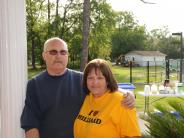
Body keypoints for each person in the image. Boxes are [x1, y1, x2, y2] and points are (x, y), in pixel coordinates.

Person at [21, 37, 136, 138]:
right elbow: (31, 124)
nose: (58, 56)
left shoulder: (81, 79)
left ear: (67, 56)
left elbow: (103, 87)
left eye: (63, 52)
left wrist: (127, 93)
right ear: (44, 55)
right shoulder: (34, 84)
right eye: (53, 52)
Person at [74, 59, 141, 138]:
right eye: (90, 78)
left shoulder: (123, 102)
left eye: (100, 78)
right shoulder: (88, 97)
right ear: (85, 80)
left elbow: (132, 136)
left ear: (108, 81)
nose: (95, 82)